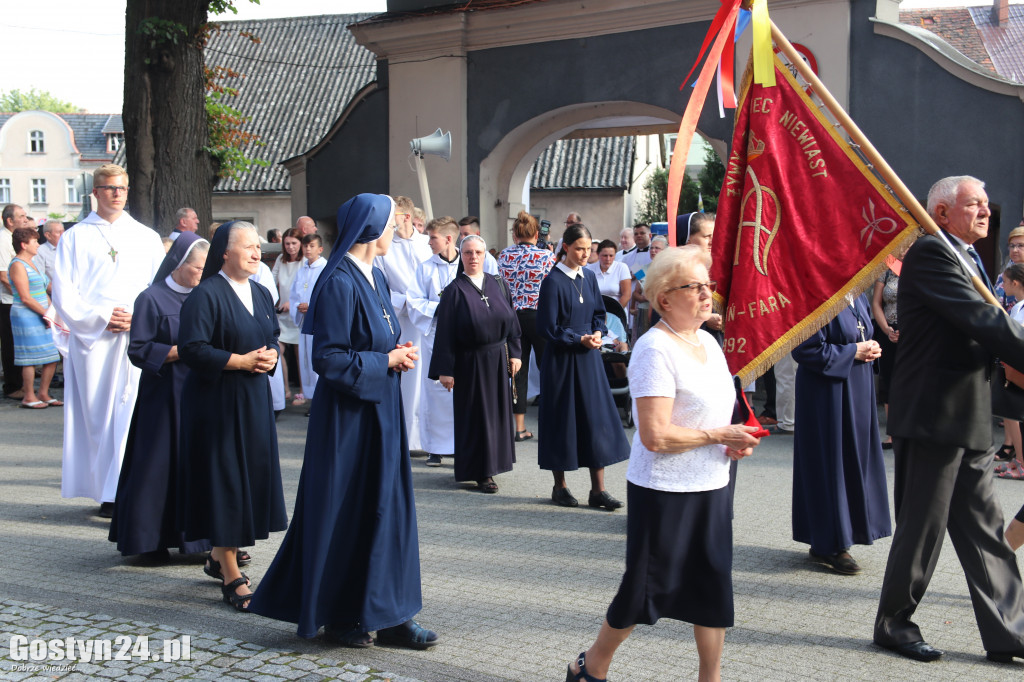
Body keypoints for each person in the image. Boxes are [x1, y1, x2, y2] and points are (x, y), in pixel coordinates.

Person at [249, 193, 439, 650]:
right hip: (349, 423)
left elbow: (376, 342)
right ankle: (341, 614)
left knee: (388, 511)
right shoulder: (338, 282)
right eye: (394, 225)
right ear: (374, 230)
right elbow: (329, 360)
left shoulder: (373, 276)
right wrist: (386, 360)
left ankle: (391, 613)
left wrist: (396, 356)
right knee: (350, 511)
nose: (398, 232)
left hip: (380, 415)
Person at [565, 245, 760, 682]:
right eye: (694, 286)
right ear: (664, 299)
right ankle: (592, 664)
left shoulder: (709, 341)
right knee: (645, 590)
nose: (706, 294)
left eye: (707, 285)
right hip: (665, 491)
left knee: (713, 586)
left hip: (712, 483)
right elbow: (654, 436)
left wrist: (735, 440)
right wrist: (716, 435)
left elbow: (720, 415)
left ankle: (710, 679)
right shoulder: (654, 349)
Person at [874, 175, 1024, 664]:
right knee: (922, 527)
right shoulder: (932, 253)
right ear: (941, 213)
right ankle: (893, 624)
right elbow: (980, 320)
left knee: (985, 527)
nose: (984, 212)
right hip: (935, 411)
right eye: (973, 204)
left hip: (972, 411)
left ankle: (1011, 632)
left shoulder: (971, 256)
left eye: (985, 203)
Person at [177, 221, 287, 611]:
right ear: (225, 252)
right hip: (217, 403)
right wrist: (238, 361)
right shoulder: (205, 296)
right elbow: (191, 348)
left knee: (247, 478)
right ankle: (229, 571)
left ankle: (218, 555)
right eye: (248, 247)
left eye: (258, 247)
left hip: (253, 399)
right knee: (225, 481)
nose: (257, 253)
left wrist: (273, 354)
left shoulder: (259, 291)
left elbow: (271, 334)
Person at [52, 164, 165, 517]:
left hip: (137, 334)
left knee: (133, 411)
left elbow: (158, 286)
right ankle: (106, 489)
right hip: (95, 340)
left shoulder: (146, 236)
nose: (117, 193)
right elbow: (63, 291)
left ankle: (130, 488)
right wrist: (101, 318)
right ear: (96, 192)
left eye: (122, 188)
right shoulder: (74, 237)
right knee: (98, 415)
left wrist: (140, 316)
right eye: (109, 188)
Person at [109, 232, 212, 559]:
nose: (201, 275)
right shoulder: (151, 298)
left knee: (199, 464)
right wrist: (183, 351)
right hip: (164, 396)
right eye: (198, 269)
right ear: (180, 264)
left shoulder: (205, 296)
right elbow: (138, 350)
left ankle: (204, 542)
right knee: (157, 467)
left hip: (200, 393)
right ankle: (150, 541)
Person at [791, 294, 891, 575]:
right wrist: (853, 352)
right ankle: (832, 543)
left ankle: (847, 533)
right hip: (826, 393)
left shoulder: (856, 291)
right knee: (830, 464)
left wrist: (870, 348)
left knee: (853, 460)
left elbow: (862, 330)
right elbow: (805, 350)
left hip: (858, 385)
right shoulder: (815, 294)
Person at [538, 223, 630, 510]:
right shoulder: (552, 281)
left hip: (589, 359)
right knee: (562, 419)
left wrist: (599, 333)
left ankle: (598, 490)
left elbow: (599, 313)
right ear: (565, 247)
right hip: (562, 360)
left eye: (588, 249)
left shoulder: (589, 277)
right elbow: (548, 327)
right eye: (579, 249)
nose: (584, 254)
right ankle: (560, 485)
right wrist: (579, 338)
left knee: (594, 419)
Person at [430, 234, 522, 493]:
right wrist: (445, 371)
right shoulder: (454, 290)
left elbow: (513, 322)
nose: (473, 258)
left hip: (498, 357)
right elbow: (445, 333)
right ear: (462, 255)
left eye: (478, 253)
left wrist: (515, 354)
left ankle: (494, 464)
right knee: (477, 416)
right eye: (468, 253)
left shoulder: (498, 284)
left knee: (497, 415)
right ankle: (481, 472)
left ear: (485, 255)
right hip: (470, 363)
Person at [375, 195, 432, 451]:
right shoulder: (384, 246)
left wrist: (425, 304)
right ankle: (405, 437)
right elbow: (379, 282)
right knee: (406, 380)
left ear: (406, 217)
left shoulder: (426, 243)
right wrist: (405, 302)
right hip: (398, 317)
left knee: (427, 379)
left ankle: (428, 438)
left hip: (428, 319)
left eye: (393, 217)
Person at [497, 211, 556, 442]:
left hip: (512, 318)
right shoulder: (546, 257)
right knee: (548, 370)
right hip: (539, 316)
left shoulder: (503, 256)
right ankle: (551, 424)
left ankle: (519, 427)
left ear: (514, 234)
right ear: (536, 234)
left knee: (516, 371)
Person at [408, 217, 460, 466]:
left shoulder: (470, 261)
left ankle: (462, 444)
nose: (428, 242)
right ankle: (435, 448)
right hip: (436, 336)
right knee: (435, 391)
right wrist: (441, 307)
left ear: (448, 239)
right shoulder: (425, 268)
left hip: (465, 336)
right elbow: (414, 301)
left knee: (463, 391)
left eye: (433, 237)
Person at [8, 227, 61, 409]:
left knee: (52, 355)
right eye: (34, 242)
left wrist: (50, 310)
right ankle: (29, 396)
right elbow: (25, 297)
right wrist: (46, 313)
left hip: (41, 313)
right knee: (29, 357)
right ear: (24, 245)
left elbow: (43, 289)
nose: (38, 245)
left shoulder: (33, 263)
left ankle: (43, 393)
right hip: (26, 315)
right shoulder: (17, 265)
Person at [992, 225, 1024, 464]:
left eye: (1021, 245)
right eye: (1012, 245)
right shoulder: (1004, 275)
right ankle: (1010, 447)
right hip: (1004, 339)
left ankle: (1018, 453)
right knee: (1009, 399)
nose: (1015, 250)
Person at [289, 233, 327, 406]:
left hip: (319, 323)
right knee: (306, 361)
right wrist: (298, 305)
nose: (308, 249)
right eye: (305, 246)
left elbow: (328, 295)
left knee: (318, 360)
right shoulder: (302, 270)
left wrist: (312, 306)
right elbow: (294, 295)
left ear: (320, 249)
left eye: (312, 246)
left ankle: (322, 401)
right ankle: (312, 400)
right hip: (304, 321)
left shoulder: (325, 268)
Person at [1, 203, 32, 400]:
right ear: (10, 221)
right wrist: (23, 296)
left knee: (19, 343)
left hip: (18, 300)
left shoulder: (12, 238)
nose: (25, 219)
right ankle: (13, 386)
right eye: (21, 216)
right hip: (8, 301)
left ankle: (21, 384)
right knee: (11, 344)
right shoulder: (3, 240)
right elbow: (3, 276)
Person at [871, 259, 901, 449]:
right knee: (890, 378)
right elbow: (876, 302)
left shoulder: (921, 262)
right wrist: (887, 329)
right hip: (889, 330)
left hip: (916, 332)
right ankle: (893, 434)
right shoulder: (888, 265)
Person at [272, 227, 303, 402]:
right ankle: (284, 390)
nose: (290, 247)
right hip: (282, 315)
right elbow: (271, 279)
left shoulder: (305, 260)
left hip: (298, 315)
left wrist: (292, 303)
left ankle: (302, 390)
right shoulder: (280, 259)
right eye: (287, 244)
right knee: (278, 349)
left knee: (300, 356)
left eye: (294, 243)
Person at [586, 239, 631, 309]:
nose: (608, 259)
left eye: (611, 255)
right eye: (605, 255)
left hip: (617, 311)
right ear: (598, 254)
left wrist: (615, 312)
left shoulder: (622, 267)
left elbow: (626, 295)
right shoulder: (589, 269)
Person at [34, 219, 63, 287]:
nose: (63, 234)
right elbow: (40, 280)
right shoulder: (40, 251)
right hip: (53, 293)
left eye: (63, 231)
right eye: (59, 232)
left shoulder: (69, 248)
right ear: (48, 235)